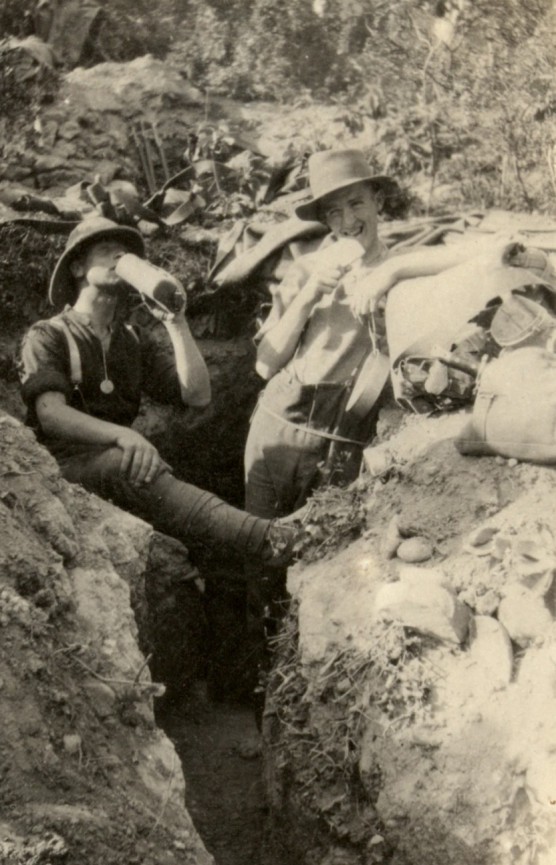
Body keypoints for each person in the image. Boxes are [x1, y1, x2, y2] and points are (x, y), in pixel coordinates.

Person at [19, 216, 295, 566]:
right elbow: (50, 414)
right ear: (77, 267)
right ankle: (266, 539)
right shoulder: (48, 335)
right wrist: (124, 436)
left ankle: (256, 543)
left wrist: (176, 322)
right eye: (106, 252)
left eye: (124, 253)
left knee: (137, 465)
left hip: (119, 462)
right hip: (62, 470)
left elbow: (197, 395)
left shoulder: (131, 339)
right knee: (131, 463)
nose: (118, 259)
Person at [244, 147, 475, 520]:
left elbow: (479, 254)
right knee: (258, 548)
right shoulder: (307, 269)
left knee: (319, 552)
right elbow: (265, 365)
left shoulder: (403, 265)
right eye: (334, 211)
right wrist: (308, 296)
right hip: (279, 430)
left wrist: (393, 271)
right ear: (324, 220)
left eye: (356, 204)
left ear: (377, 201)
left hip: (345, 440)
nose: (348, 220)